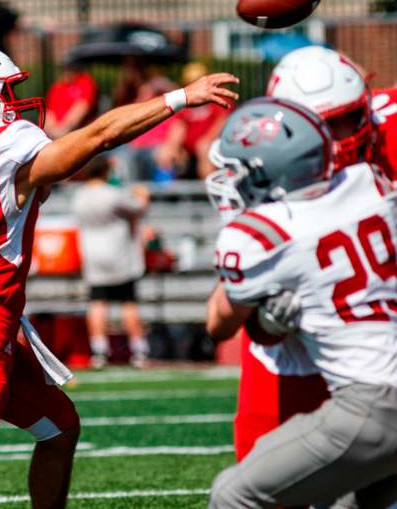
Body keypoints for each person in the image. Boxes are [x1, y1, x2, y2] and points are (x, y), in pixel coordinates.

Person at [0, 44, 238, 507]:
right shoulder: (1, 146)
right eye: (3, 89)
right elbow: (99, 136)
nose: (12, 99)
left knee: (60, 428)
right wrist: (180, 98)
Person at [206, 97, 397, 508]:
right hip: (382, 397)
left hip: (375, 404)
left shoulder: (260, 236)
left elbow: (219, 323)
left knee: (231, 494)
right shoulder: (372, 185)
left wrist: (271, 321)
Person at [227, 46, 376, 462]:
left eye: (347, 120)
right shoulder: (249, 172)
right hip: (291, 354)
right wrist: (262, 314)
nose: (337, 138)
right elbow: (222, 316)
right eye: (323, 125)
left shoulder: (386, 135)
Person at [71, 155, 150, 368]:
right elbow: (138, 208)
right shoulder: (112, 194)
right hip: (118, 252)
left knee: (97, 302)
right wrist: (143, 196)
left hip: (92, 253)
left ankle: (99, 350)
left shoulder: (79, 196)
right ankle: (139, 349)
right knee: (128, 302)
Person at [156, 62, 231, 179]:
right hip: (189, 149)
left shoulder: (219, 98)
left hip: (211, 145)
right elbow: (178, 128)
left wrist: (207, 139)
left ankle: (207, 192)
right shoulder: (184, 104)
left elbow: (222, 122)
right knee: (165, 152)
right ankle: (168, 193)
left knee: (205, 148)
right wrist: (172, 147)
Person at [43, 61, 98, 139]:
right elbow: (49, 113)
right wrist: (50, 130)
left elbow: (81, 108)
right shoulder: (57, 87)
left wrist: (64, 129)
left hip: (76, 134)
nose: (66, 71)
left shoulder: (85, 81)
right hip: (55, 134)